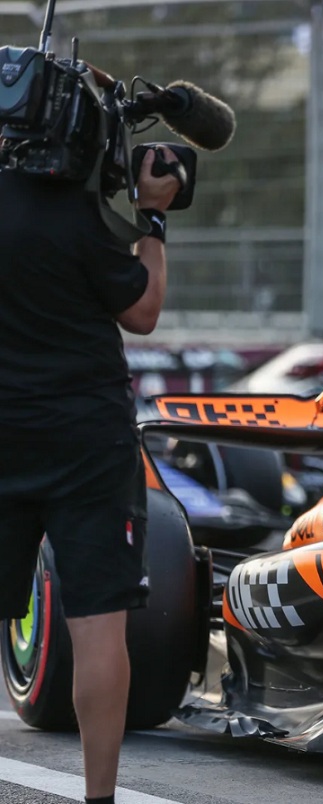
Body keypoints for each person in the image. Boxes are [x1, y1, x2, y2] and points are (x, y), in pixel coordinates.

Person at [0, 143, 181, 804]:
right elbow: (143, 311)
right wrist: (151, 219)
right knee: (97, 625)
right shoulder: (81, 214)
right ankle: (98, 798)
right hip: (87, 441)